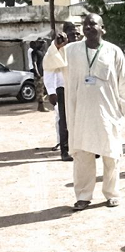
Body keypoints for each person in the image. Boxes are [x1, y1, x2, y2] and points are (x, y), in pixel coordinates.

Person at [62, 13, 125, 210]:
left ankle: (112, 193)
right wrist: (56, 46)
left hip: (107, 113)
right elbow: (52, 63)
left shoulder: (114, 52)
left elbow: (124, 83)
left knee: (111, 154)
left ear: (103, 28)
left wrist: (120, 110)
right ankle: (83, 196)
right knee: (83, 155)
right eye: (85, 25)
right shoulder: (71, 50)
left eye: (93, 24)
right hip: (81, 114)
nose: (88, 27)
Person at [42, 22, 79, 161]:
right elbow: (49, 69)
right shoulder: (56, 50)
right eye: (72, 34)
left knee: (82, 119)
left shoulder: (81, 48)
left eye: (77, 33)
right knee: (64, 121)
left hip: (79, 89)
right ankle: (65, 151)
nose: (75, 36)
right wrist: (51, 91)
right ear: (65, 34)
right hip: (63, 90)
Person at [31, 40, 48, 112]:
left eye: (42, 43)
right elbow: (34, 63)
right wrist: (37, 73)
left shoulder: (43, 52)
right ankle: (41, 106)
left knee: (45, 90)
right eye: (40, 42)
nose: (41, 44)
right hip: (39, 74)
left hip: (45, 73)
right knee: (40, 90)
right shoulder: (35, 52)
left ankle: (41, 105)